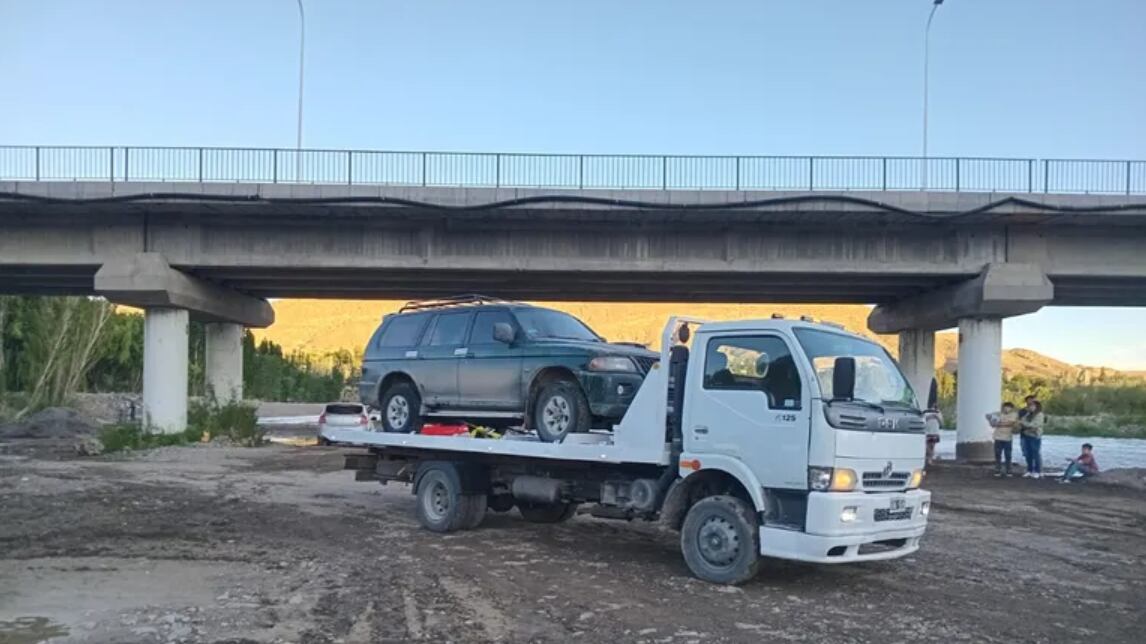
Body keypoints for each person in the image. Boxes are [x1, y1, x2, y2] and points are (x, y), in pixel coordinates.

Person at [987, 402, 1019, 477]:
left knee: (1008, 455)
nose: (1006, 409)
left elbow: (1011, 423)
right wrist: (991, 419)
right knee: (998, 454)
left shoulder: (1014, 414)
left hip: (1008, 438)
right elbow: (992, 423)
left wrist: (999, 423)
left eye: (1008, 407)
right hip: (998, 437)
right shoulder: (998, 414)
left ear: (1011, 408)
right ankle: (997, 469)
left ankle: (1009, 470)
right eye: (1005, 407)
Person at [1018, 399, 1045, 478]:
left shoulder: (1040, 414)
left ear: (1036, 406)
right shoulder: (1028, 414)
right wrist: (1024, 424)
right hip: (1027, 436)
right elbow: (1022, 421)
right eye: (1029, 406)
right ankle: (1029, 470)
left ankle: (1038, 471)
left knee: (1035, 454)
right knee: (1028, 454)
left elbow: (1033, 425)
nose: (1030, 407)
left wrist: (1024, 424)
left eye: (1032, 406)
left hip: (1035, 436)